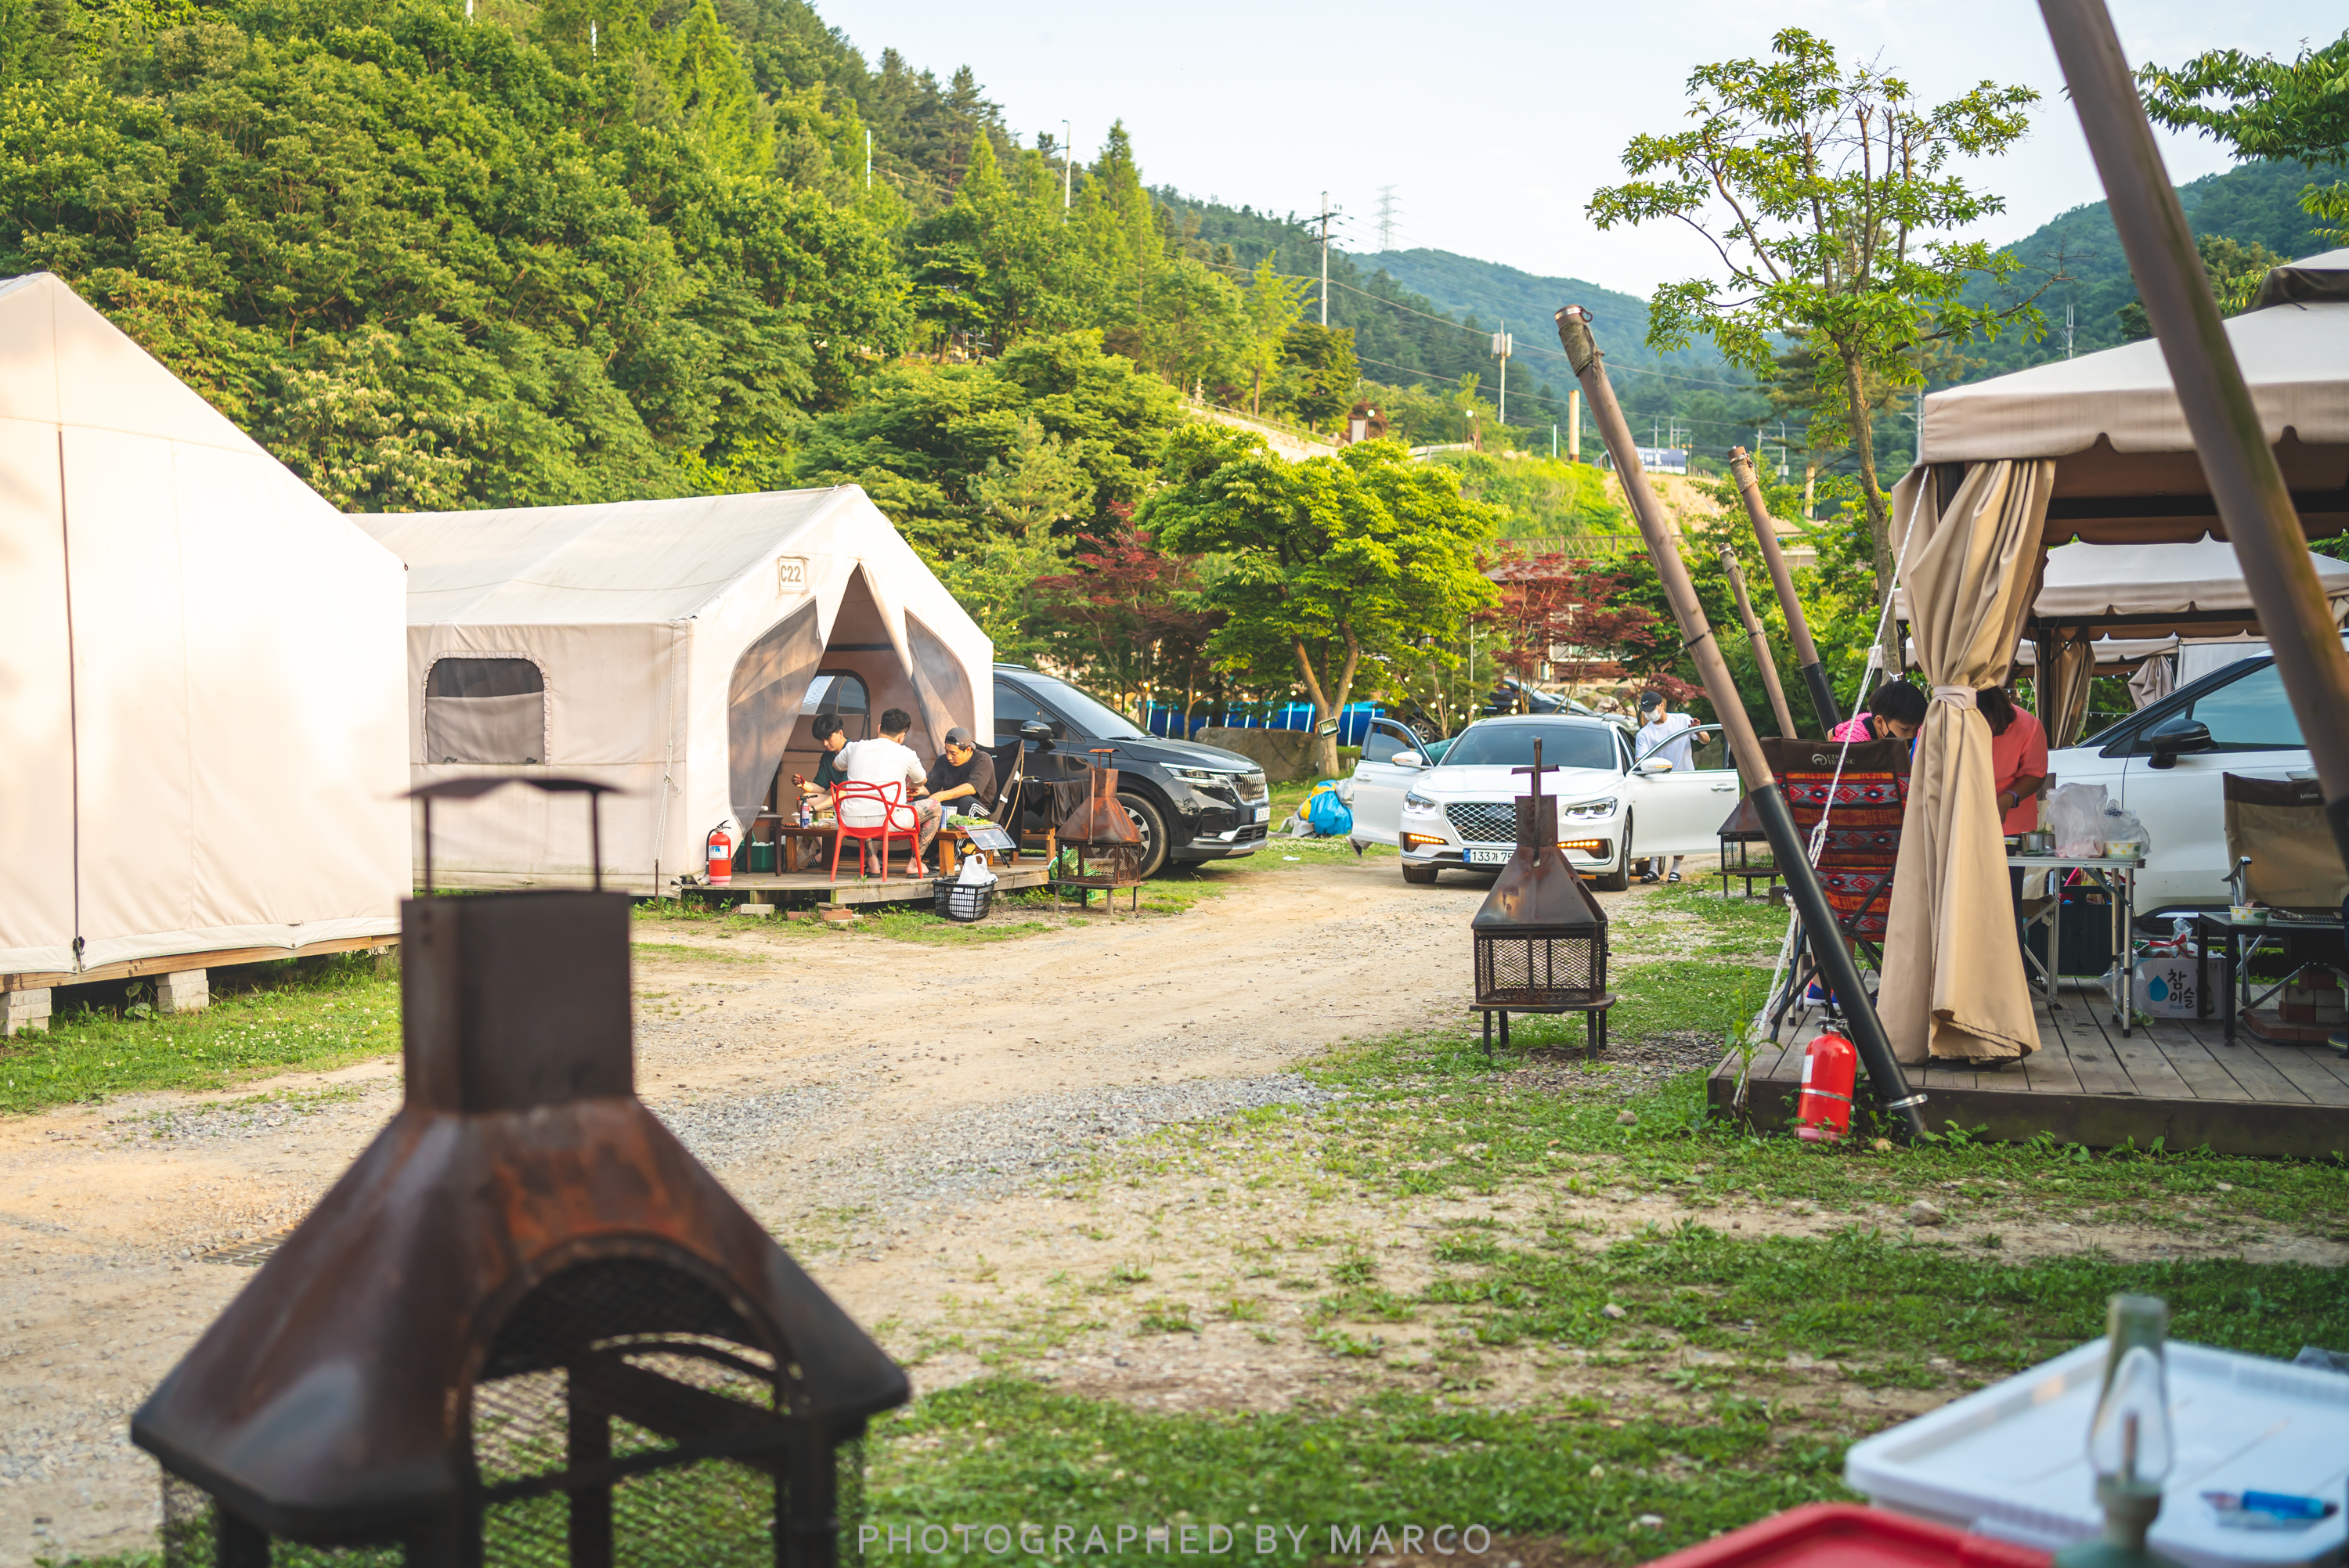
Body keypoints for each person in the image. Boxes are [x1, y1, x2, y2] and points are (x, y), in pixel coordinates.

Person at [837, 708, 943, 874]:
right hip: (889, 821)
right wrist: (908, 783)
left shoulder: (853, 747)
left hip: (849, 820)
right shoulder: (906, 753)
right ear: (902, 736)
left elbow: (837, 765)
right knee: (935, 807)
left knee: (865, 804)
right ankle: (915, 864)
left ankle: (872, 863)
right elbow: (922, 780)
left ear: (879, 728)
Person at [1634, 690, 1697, 883]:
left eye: (1652, 709)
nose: (1649, 714)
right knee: (1657, 825)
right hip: (1658, 783)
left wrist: (1698, 730)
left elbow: (1705, 739)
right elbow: (1640, 761)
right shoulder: (1644, 734)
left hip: (1684, 781)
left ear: (1661, 705)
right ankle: (1654, 869)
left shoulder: (1683, 720)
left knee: (1681, 826)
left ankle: (1676, 869)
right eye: (1646, 711)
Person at [925, 726, 998, 817]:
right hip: (952, 805)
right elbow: (930, 787)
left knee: (965, 801)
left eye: (953, 753)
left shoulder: (983, 760)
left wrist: (942, 795)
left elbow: (971, 788)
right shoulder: (943, 760)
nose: (949, 757)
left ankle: (961, 827)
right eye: (946, 751)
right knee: (922, 799)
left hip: (980, 809)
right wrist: (917, 790)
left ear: (968, 751)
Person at [1829, 679, 1929, 744]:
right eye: (1905, 729)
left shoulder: (1868, 717)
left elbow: (1832, 732)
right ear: (1880, 722)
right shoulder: (1856, 744)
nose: (1912, 736)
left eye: (1917, 728)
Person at [796, 715, 850, 811]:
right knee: (804, 800)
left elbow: (844, 792)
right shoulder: (827, 756)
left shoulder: (854, 752)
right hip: (839, 801)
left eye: (829, 738)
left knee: (810, 808)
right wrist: (803, 784)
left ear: (840, 733)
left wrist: (814, 809)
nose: (825, 744)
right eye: (822, 740)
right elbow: (821, 787)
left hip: (857, 801)